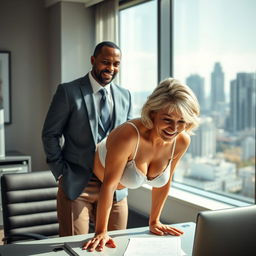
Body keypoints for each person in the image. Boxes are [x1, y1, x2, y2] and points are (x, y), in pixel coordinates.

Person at [83, 77, 200, 252]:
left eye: (182, 121)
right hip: (86, 182)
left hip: (117, 192)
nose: (174, 128)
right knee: (78, 245)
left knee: (114, 250)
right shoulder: (129, 136)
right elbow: (109, 184)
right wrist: (101, 231)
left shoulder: (182, 141)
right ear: (153, 113)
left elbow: (163, 184)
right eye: (167, 119)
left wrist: (155, 221)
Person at [42, 41, 133, 236]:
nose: (111, 68)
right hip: (77, 184)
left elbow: (130, 140)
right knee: (76, 247)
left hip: (114, 185)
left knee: (116, 245)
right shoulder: (68, 91)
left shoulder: (125, 96)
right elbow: (50, 134)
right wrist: (60, 173)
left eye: (116, 64)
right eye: (105, 62)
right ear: (93, 60)